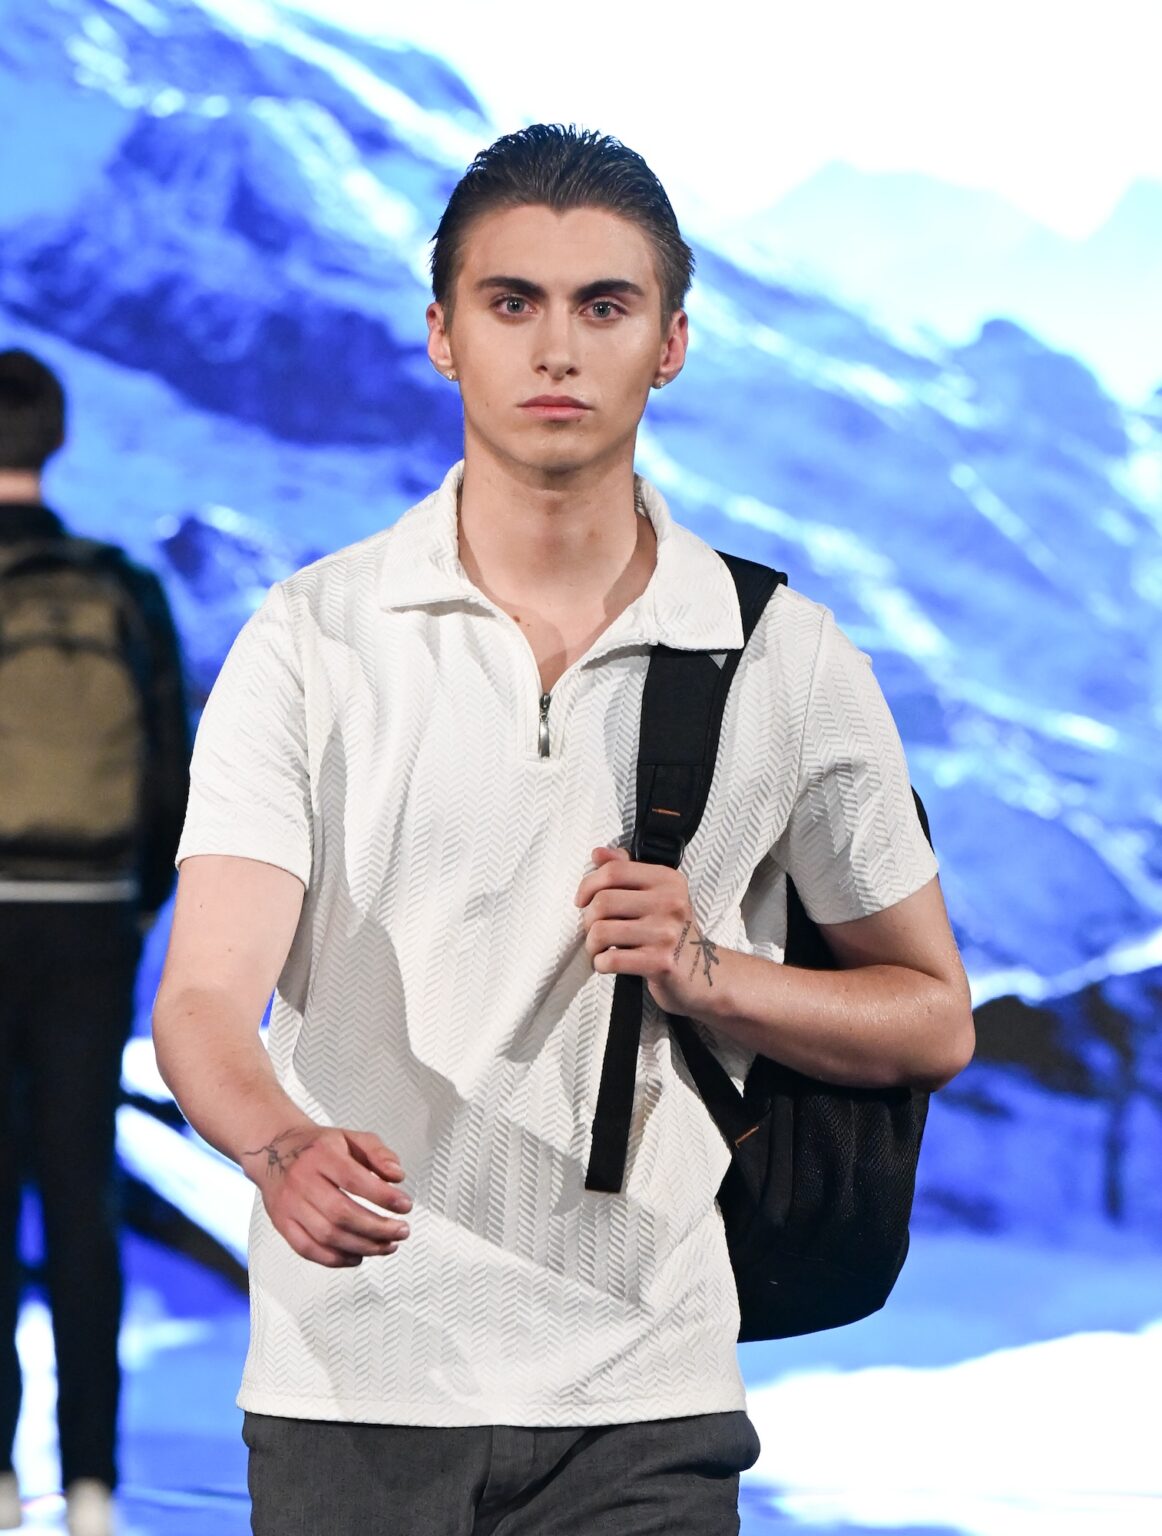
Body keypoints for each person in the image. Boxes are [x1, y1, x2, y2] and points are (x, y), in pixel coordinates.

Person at [153, 125, 974, 1534]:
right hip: (354, 1382)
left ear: (668, 344)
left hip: (644, 1393)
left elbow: (929, 1017)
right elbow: (205, 1002)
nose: (555, 348)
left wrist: (708, 973)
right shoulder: (311, 637)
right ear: (441, 336)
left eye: (603, 305)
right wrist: (280, 1148)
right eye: (509, 301)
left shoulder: (783, 653)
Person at [0, 349, 191, 1536]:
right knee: (81, 1204)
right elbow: (177, 768)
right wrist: (126, 905)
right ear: (55, 440)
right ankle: (92, 1488)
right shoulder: (121, 588)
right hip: (90, 923)